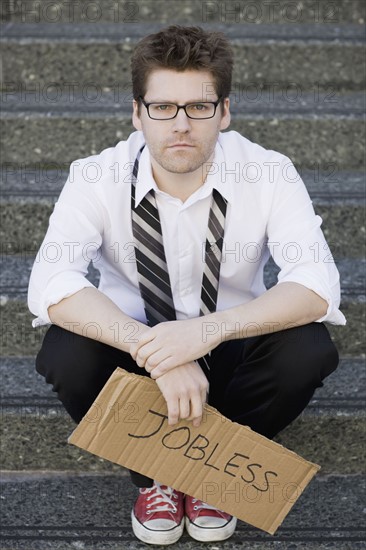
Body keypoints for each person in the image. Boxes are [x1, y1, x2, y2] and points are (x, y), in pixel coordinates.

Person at [28, 25, 345, 545]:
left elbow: (315, 285)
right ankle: (158, 472)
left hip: (231, 345)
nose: (180, 125)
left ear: (224, 112)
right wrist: (158, 351)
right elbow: (51, 283)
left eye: (198, 108)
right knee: (66, 351)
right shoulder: (95, 175)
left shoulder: (269, 172)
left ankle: (214, 472)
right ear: (137, 112)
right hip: (133, 348)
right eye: (163, 107)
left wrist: (206, 333)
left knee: (307, 349)